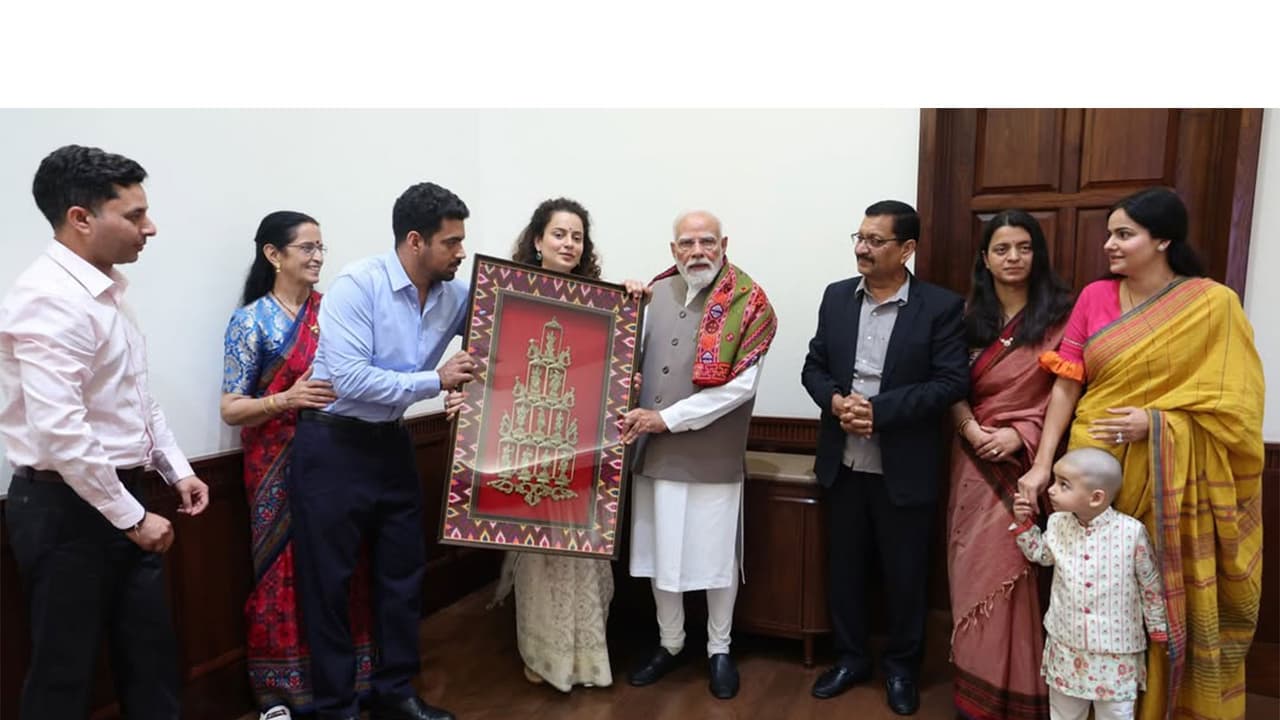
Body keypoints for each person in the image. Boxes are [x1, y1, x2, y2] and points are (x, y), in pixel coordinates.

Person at [1018, 187, 1265, 720]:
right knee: (1091, 587)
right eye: (1110, 233)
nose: (1109, 244)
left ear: (1164, 240)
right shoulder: (1094, 297)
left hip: (1170, 469)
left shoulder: (1212, 304)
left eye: (1124, 234)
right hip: (1093, 463)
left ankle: (1151, 705)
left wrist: (1158, 423)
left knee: (1152, 589)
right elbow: (1067, 384)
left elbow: (1236, 406)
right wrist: (1042, 465)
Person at [0, 144, 210, 720]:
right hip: (64, 507)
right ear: (81, 218)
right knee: (62, 675)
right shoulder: (50, 298)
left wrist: (177, 469)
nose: (151, 228)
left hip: (120, 493)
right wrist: (134, 518)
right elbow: (63, 432)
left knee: (150, 657)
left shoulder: (106, 290)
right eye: (135, 215)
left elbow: (134, 397)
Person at [287, 182, 478, 720]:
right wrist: (435, 382)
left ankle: (396, 691)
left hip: (391, 444)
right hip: (333, 444)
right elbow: (348, 378)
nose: (461, 252)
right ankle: (336, 706)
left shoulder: (456, 294)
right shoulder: (358, 285)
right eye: (451, 242)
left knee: (403, 573)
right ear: (415, 241)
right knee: (330, 583)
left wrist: (619, 299)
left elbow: (516, 315)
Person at [801, 200, 968, 715]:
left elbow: (950, 382)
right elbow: (814, 366)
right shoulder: (835, 298)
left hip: (904, 465)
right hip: (843, 463)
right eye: (859, 237)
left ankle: (901, 669)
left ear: (907, 249)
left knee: (904, 575)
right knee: (845, 570)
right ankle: (850, 659)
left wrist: (878, 410)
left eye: (875, 241)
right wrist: (834, 401)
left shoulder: (939, 307)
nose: (861, 248)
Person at [445, 197, 617, 692]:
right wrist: (464, 403)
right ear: (538, 240)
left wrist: (631, 297)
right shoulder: (505, 301)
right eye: (559, 234)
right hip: (526, 453)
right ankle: (544, 659)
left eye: (577, 236)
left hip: (583, 457)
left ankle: (587, 662)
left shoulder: (603, 306)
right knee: (541, 564)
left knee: (587, 562)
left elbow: (611, 373)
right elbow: (483, 368)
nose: (568, 243)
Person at [221, 211, 375, 719]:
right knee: (280, 572)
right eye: (306, 247)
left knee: (339, 566)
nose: (316, 257)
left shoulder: (333, 314)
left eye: (320, 248)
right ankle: (281, 694)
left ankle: (351, 679)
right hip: (274, 464)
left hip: (337, 457)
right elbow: (230, 407)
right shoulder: (251, 322)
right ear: (273, 254)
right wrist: (285, 399)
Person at [618, 209, 777, 700]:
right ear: (673, 250)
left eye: (707, 241)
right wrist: (621, 307)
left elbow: (739, 388)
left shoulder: (749, 302)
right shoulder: (653, 293)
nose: (697, 252)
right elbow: (625, 360)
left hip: (711, 454)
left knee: (715, 560)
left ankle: (719, 649)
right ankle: (669, 643)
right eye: (686, 243)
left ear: (724, 243)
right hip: (652, 454)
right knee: (659, 553)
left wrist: (665, 419)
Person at [947, 210, 1073, 720]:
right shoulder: (962, 317)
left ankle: (1016, 694)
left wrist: (1017, 434)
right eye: (1002, 249)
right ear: (985, 258)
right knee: (971, 570)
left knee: (1019, 571)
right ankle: (972, 694)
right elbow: (948, 386)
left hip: (1026, 465)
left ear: (1037, 254)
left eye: (1024, 247)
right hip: (970, 463)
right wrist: (970, 429)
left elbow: (1069, 393)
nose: (1014, 258)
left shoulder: (1063, 318)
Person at [1010, 447, 1168, 720]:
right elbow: (1042, 555)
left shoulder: (1131, 533)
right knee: (1064, 713)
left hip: (1116, 650)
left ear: (1096, 498)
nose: (1050, 490)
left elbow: (1150, 584)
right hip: (1066, 644)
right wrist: (1024, 524)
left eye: (1063, 485)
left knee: (1116, 714)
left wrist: (1158, 628)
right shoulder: (1058, 523)